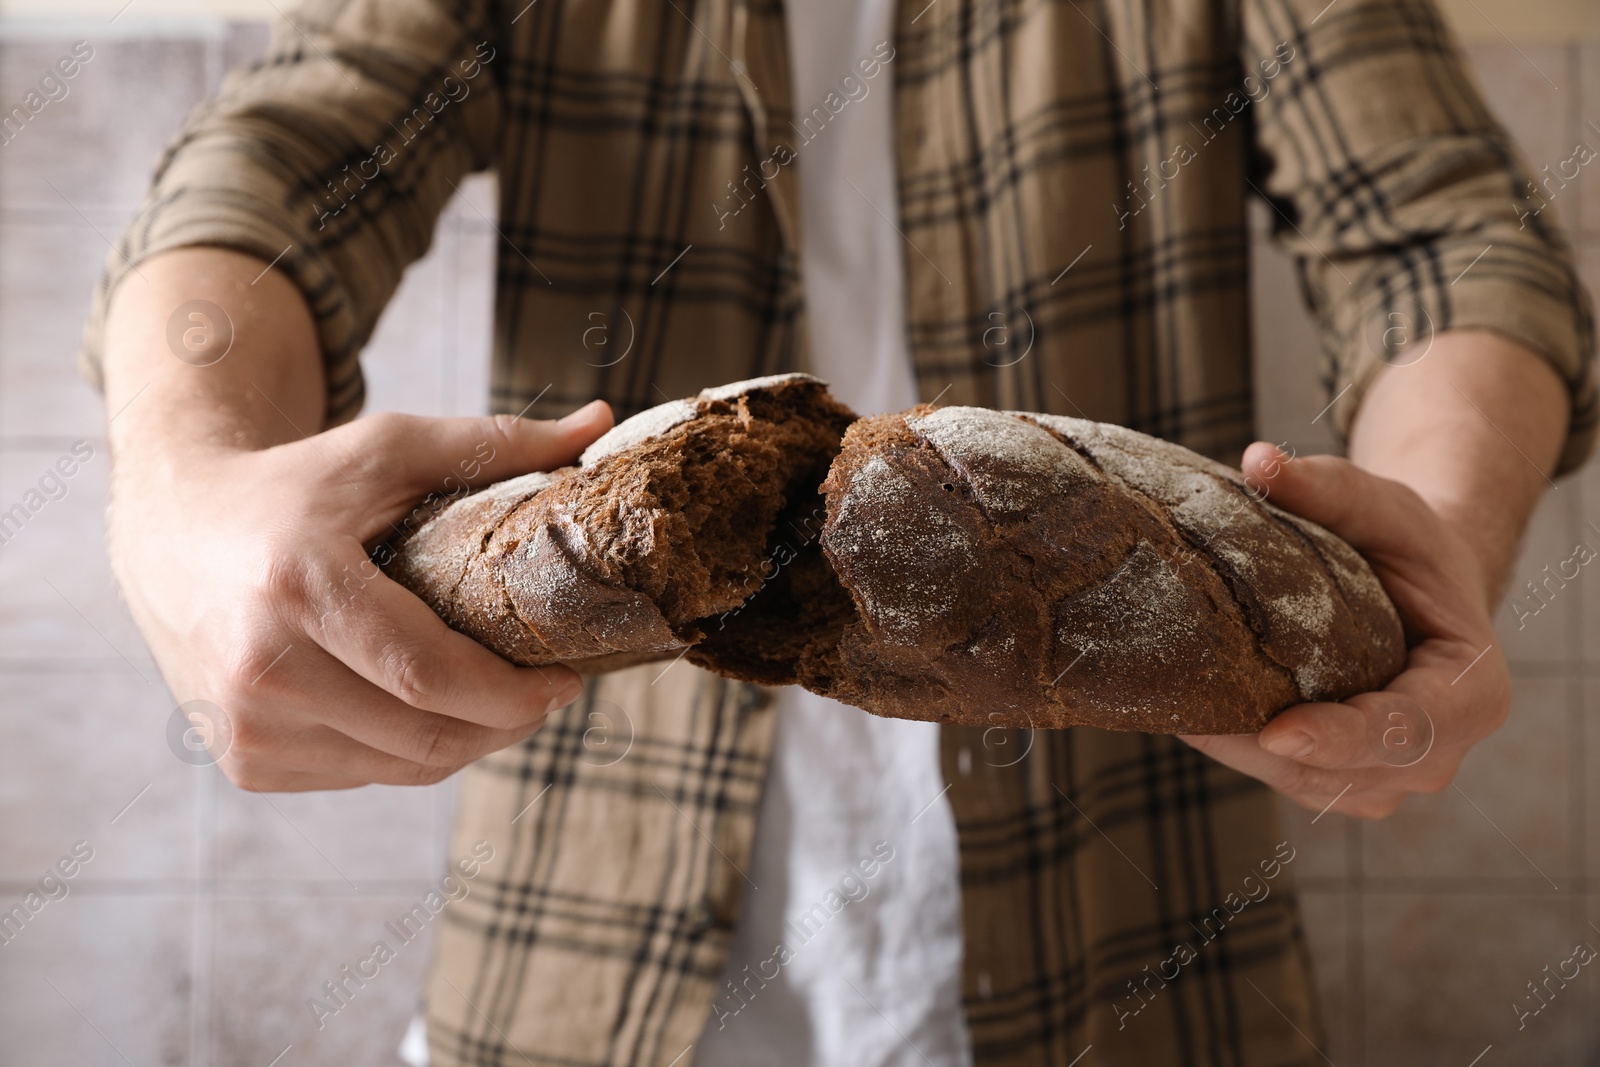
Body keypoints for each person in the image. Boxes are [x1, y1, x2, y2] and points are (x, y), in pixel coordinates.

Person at [84, 0, 1592, 1063]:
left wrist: (1434, 544)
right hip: (588, 958)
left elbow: (1442, 234)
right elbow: (279, 162)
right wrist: (183, 484)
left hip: (1128, 950)